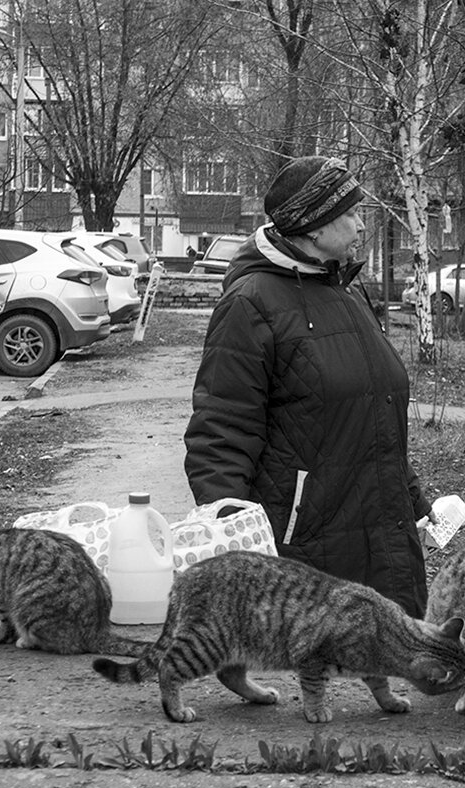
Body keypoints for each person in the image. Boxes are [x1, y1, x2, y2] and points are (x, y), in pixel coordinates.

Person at [183, 156, 435, 618]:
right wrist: (230, 535)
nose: (362, 226)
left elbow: (374, 413)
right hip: (307, 549)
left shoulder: (347, 291)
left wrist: (416, 502)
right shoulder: (251, 303)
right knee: (325, 676)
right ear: (315, 227)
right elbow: (221, 429)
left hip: (383, 530)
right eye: (352, 214)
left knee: (395, 662)